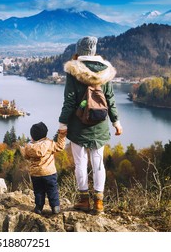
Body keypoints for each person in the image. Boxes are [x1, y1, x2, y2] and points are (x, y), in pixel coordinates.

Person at [58, 36, 123, 214]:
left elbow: (69, 102)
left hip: (78, 126)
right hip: (100, 124)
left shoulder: (73, 71)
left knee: (80, 163)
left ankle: (84, 200)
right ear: (94, 51)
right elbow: (109, 99)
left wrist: (62, 124)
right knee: (98, 163)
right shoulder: (105, 72)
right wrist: (116, 122)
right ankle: (99, 203)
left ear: (79, 50)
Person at [22, 122, 67, 215]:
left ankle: (38, 207)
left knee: (38, 191)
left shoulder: (29, 146)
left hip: (35, 174)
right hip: (49, 173)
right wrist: (62, 135)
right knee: (52, 190)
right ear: (45, 134)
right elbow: (60, 146)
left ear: (32, 136)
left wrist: (23, 148)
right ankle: (55, 207)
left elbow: (26, 156)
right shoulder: (49, 143)